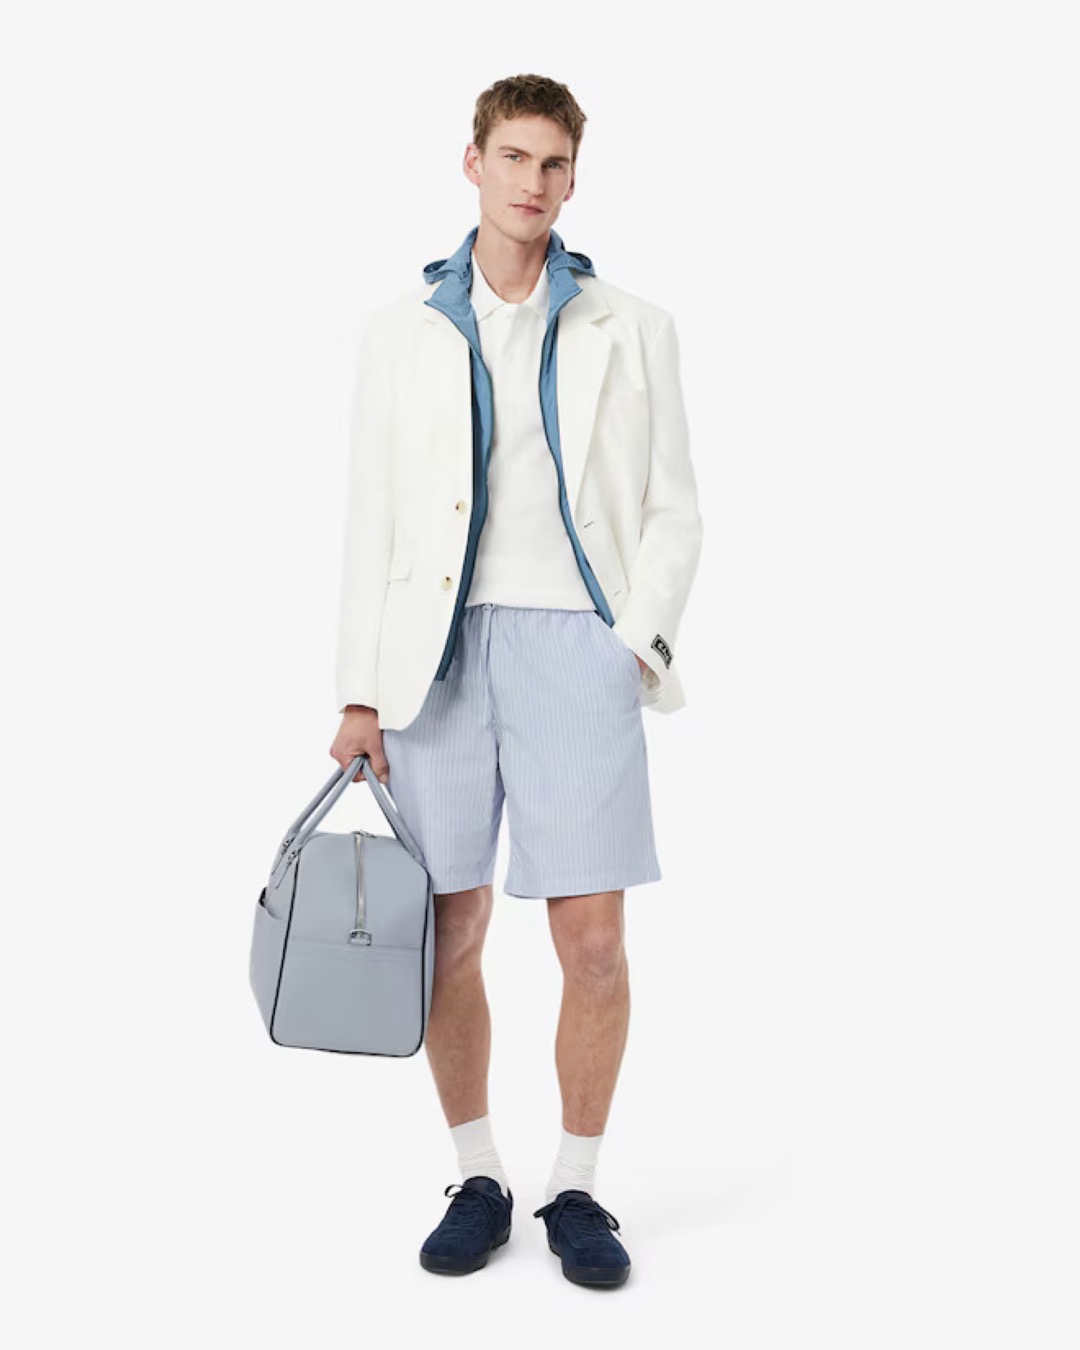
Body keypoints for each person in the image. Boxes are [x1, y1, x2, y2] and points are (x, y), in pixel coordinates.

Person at [329, 73, 703, 1287]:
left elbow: (673, 508)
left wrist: (633, 643)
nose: (532, 183)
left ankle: (577, 1188)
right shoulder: (403, 332)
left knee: (592, 944)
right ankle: (478, 1174)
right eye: (513, 158)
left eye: (553, 164)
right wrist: (359, 694)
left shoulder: (633, 327)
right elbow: (375, 520)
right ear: (473, 163)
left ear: (573, 178)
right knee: (449, 932)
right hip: (435, 660)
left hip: (577, 649)